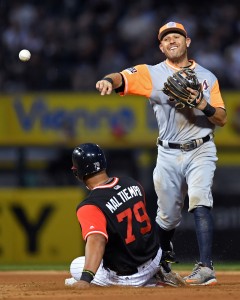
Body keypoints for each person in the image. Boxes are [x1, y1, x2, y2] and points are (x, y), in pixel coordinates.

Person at [95, 22, 227, 286]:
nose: (172, 41)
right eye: (166, 39)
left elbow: (222, 118)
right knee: (167, 215)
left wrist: (202, 104)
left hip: (201, 147)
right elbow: (122, 77)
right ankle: (160, 264)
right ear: (161, 46)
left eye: (176, 36)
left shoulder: (208, 76)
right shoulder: (152, 74)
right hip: (167, 152)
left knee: (200, 199)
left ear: (187, 42)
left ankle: (205, 267)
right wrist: (108, 80)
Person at [65, 143, 185, 288]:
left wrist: (85, 279)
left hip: (128, 275)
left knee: (76, 266)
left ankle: (151, 285)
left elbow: (96, 239)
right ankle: (158, 273)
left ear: (78, 172)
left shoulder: (90, 205)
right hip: (155, 258)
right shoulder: (131, 182)